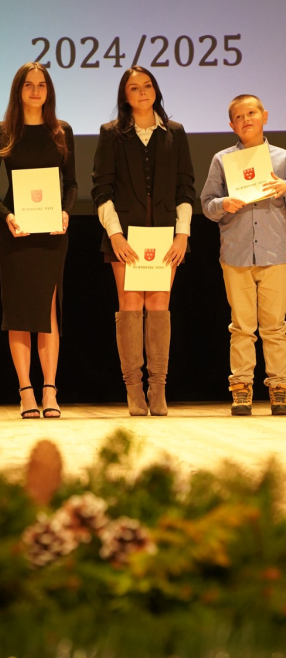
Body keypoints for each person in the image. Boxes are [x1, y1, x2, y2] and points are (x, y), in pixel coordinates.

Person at [91, 67, 195, 417]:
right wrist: (115, 234)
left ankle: (158, 388)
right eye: (134, 88)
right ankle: (134, 389)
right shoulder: (111, 134)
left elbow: (186, 188)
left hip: (166, 236)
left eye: (147, 85)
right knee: (131, 306)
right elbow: (101, 189)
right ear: (125, 96)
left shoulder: (175, 132)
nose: (142, 92)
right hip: (125, 236)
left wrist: (182, 234)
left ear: (156, 90)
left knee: (160, 306)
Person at [0, 62, 77, 418]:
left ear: (48, 91)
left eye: (41, 85)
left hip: (52, 234)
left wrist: (65, 212)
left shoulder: (61, 131)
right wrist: (7, 216)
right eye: (29, 85)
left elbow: (71, 183)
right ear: (18, 90)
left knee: (48, 311)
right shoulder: (3, 132)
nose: (36, 91)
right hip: (16, 233)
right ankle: (26, 392)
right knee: (19, 313)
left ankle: (50, 390)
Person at [200, 94, 286, 417]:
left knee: (275, 326)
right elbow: (207, 204)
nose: (246, 119)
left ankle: (279, 386)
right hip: (236, 254)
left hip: (275, 252)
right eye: (239, 116)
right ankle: (241, 388)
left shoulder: (281, 159)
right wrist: (223, 204)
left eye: (252, 113)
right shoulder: (223, 160)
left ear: (265, 116)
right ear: (231, 125)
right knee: (242, 326)